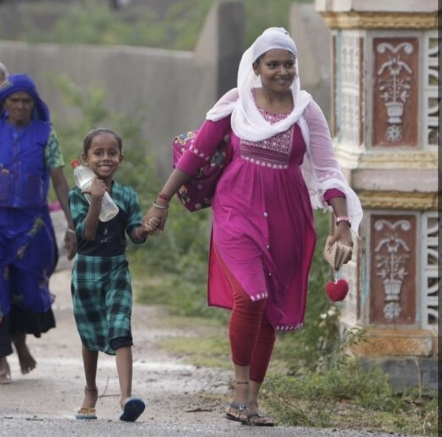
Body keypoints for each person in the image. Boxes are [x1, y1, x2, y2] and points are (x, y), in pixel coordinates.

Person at [143, 27, 363, 426]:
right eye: (273, 64)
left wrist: (343, 222)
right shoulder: (236, 102)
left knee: (268, 307)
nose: (282, 71)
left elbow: (328, 170)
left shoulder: (307, 110)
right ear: (257, 67)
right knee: (251, 295)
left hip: (288, 218)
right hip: (236, 211)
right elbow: (196, 154)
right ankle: (239, 391)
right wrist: (161, 201)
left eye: (289, 64)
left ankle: (254, 400)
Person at [0, 73, 77, 384]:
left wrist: (72, 225)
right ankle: (1, 361)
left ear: (34, 104)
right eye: (14, 101)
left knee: (28, 291)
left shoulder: (46, 133)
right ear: (4, 103)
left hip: (30, 225)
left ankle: (20, 342)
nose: (20, 106)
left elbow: (60, 182)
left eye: (25, 101)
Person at [69, 128, 155, 422]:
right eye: (98, 153)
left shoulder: (127, 194)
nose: (105, 158)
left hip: (116, 268)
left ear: (120, 158)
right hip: (86, 270)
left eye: (112, 153)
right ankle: (90, 391)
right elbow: (87, 234)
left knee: (121, 328)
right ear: (85, 158)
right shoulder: (76, 195)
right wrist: (95, 200)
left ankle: (126, 397)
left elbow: (134, 234)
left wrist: (145, 228)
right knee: (89, 333)